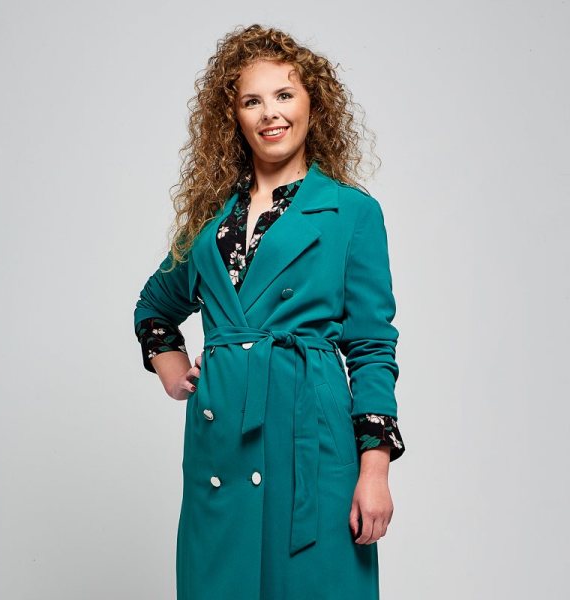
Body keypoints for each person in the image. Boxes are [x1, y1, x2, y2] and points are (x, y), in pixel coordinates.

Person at [133, 23, 406, 600]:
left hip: (311, 439)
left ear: (313, 105)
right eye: (251, 100)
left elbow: (371, 347)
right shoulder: (209, 221)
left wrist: (375, 470)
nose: (270, 113)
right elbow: (155, 306)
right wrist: (170, 366)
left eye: (284, 94)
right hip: (221, 441)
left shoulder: (351, 212)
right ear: (233, 116)